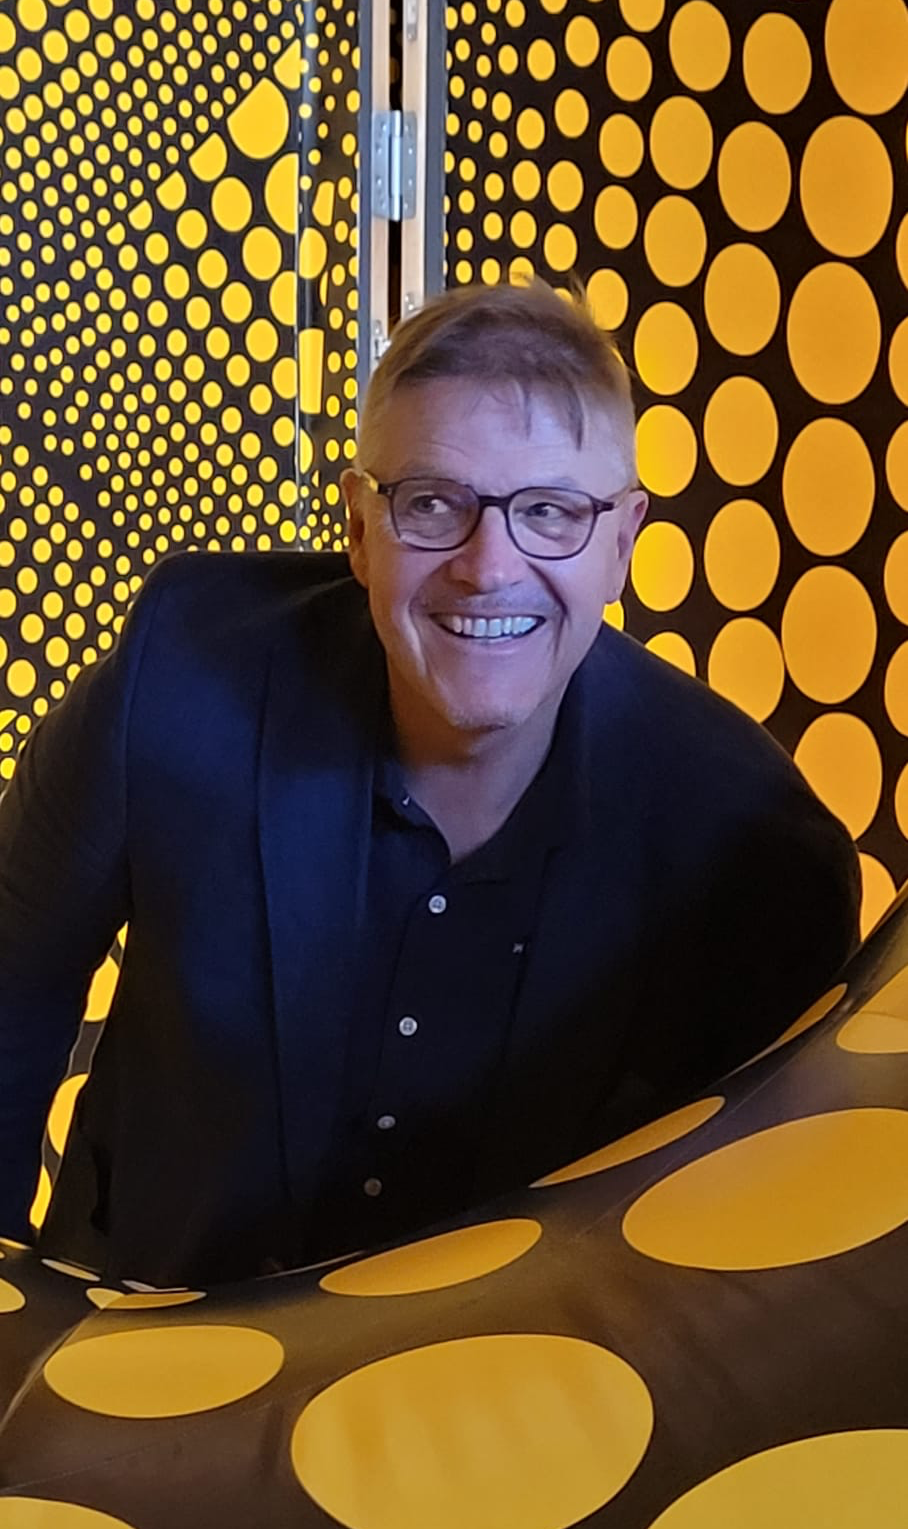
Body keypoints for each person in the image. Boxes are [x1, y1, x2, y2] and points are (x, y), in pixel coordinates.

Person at [0, 280, 860, 1286]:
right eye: (433, 504)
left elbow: (760, 1237)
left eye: (549, 511)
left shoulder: (750, 842)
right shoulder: (181, 665)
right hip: (147, 1331)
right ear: (360, 527)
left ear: (623, 540)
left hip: (525, 1368)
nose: (488, 567)